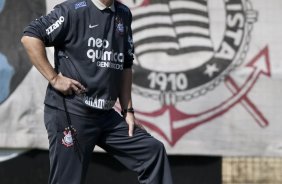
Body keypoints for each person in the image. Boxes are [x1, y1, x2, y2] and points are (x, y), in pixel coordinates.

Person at [21, 0, 173, 183]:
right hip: (71, 111)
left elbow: (125, 64)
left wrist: (128, 111)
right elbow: (30, 37)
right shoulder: (71, 10)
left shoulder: (123, 13)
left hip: (106, 115)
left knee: (152, 151)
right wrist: (54, 79)